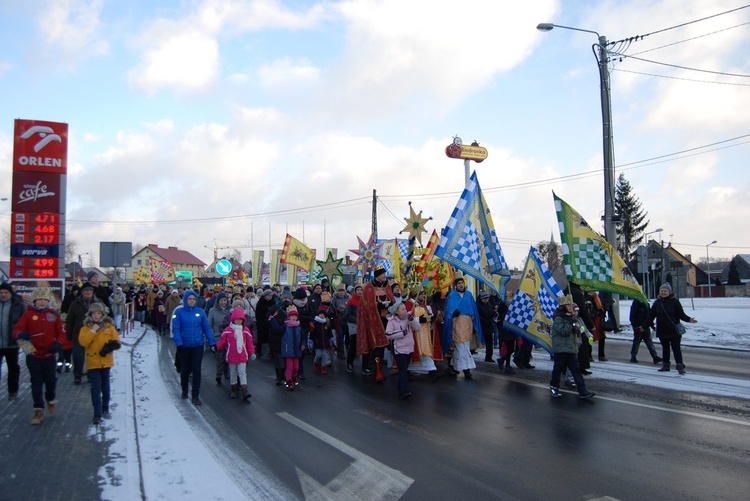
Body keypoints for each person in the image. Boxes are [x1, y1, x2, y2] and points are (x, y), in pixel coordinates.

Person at [13, 288, 66, 424]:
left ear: (48, 301)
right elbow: (17, 330)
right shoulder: (28, 315)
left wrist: (59, 344)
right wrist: (21, 335)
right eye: (39, 300)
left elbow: (61, 332)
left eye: (44, 300)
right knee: (36, 382)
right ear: (35, 301)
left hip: (49, 354)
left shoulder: (53, 315)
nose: (42, 302)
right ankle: (38, 412)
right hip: (33, 354)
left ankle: (50, 398)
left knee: (51, 380)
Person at [78, 302, 121, 424]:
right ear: (90, 315)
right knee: (95, 387)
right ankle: (97, 413)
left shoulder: (109, 327)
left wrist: (113, 346)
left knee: (105, 386)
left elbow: (117, 341)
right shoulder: (85, 328)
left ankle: (105, 406)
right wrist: (92, 331)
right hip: (93, 362)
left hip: (106, 361)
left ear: (103, 314)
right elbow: (83, 343)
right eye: (94, 313)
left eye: (99, 313)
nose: (96, 316)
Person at [172, 290, 216, 405]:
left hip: (198, 345)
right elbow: (176, 329)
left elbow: (206, 328)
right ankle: (184, 390)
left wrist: (212, 342)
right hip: (184, 346)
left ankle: (195, 395)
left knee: (196, 369)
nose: (192, 301)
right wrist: (179, 344)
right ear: (186, 300)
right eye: (189, 299)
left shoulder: (200, 312)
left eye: (194, 299)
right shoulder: (179, 312)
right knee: (185, 369)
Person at [548, 295, 595, 399]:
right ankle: (554, 387)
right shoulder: (558, 318)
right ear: (563, 306)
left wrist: (576, 327)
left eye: (571, 305)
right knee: (558, 370)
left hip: (571, 349)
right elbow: (564, 331)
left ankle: (583, 391)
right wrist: (571, 322)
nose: (570, 307)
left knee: (576, 371)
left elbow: (576, 331)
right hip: (561, 349)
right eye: (568, 305)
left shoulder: (571, 317)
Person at [356, 266, 395, 381]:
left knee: (389, 345)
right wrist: (379, 305)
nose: (384, 276)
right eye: (382, 274)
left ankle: (392, 367)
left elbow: (392, 299)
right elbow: (367, 305)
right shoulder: (368, 287)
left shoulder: (387, 286)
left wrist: (390, 305)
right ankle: (377, 370)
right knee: (378, 346)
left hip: (387, 319)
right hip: (374, 321)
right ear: (377, 275)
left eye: (384, 274)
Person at [649, 283, 696, 374]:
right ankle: (665, 365)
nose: (663, 292)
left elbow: (681, 314)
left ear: (669, 292)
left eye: (665, 291)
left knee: (676, 349)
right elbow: (651, 315)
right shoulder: (657, 303)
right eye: (661, 291)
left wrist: (689, 319)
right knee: (665, 349)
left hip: (674, 330)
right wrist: (644, 325)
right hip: (662, 330)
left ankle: (680, 366)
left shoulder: (675, 302)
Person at [443, 277, 481, 380]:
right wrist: (453, 314)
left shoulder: (468, 295)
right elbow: (448, 312)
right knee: (460, 346)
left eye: (462, 283)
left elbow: (473, 310)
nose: (461, 285)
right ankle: (466, 370)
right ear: (456, 285)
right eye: (459, 283)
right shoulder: (452, 296)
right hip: (457, 324)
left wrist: (474, 325)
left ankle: (455, 366)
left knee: (465, 346)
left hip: (468, 324)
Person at [65, 282, 102, 385]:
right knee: (78, 357)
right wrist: (69, 335)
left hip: (94, 335)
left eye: (90, 290)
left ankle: (91, 375)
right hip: (78, 334)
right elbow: (69, 320)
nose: (88, 292)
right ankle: (78, 375)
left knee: (92, 356)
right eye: (86, 290)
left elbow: (104, 318)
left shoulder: (98, 303)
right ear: (82, 292)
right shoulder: (75, 304)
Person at [216, 308, 256, 400]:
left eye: (240, 319)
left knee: (242, 373)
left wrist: (252, 352)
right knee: (233, 373)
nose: (238, 321)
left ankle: (244, 391)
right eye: (237, 319)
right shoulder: (228, 330)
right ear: (233, 320)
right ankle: (234, 390)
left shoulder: (245, 330)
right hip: (231, 355)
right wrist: (217, 347)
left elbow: (249, 343)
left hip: (242, 355)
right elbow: (222, 341)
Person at [385, 302, 420, 399]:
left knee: (403, 369)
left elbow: (418, 328)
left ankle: (400, 386)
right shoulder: (391, 321)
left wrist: (412, 320)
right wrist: (401, 333)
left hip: (409, 348)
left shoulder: (408, 319)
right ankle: (404, 390)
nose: (405, 311)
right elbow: (388, 335)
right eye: (402, 309)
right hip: (399, 349)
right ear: (396, 311)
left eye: (405, 309)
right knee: (403, 369)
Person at [407, 289, 442, 381]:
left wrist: (432, 318)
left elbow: (429, 320)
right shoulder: (409, 304)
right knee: (414, 353)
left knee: (425, 353)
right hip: (414, 335)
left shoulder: (425, 306)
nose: (424, 296)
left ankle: (432, 372)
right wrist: (419, 319)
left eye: (425, 294)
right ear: (416, 295)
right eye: (422, 294)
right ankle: (432, 373)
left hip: (425, 334)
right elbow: (406, 319)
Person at [0, 282, 26, 400]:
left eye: (6, 292)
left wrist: (26, 345)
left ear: (11, 293)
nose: (3, 295)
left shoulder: (18, 305)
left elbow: (24, 323)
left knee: (13, 368)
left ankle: (13, 391)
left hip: (12, 342)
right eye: (1, 293)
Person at [278, 305, 305, 390]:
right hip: (288, 350)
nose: (293, 318)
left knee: (296, 367)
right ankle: (288, 380)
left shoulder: (299, 328)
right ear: (289, 317)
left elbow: (303, 337)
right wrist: (272, 320)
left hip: (297, 349)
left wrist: (303, 344)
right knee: (289, 367)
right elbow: (277, 329)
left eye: (295, 316)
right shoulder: (285, 327)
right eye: (292, 316)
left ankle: (294, 376)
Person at [629, 299, 662, 364]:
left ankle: (654, 357)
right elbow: (632, 317)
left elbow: (649, 316)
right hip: (639, 327)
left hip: (645, 326)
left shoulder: (646, 305)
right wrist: (636, 327)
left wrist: (652, 325)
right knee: (637, 342)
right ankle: (633, 356)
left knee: (649, 342)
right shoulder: (636, 305)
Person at [207, 293, 230, 384]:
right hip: (218, 336)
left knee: (228, 356)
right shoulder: (213, 310)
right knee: (219, 357)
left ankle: (226, 371)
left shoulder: (230, 310)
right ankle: (219, 374)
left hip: (229, 336)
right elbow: (209, 324)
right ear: (218, 301)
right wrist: (212, 335)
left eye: (225, 300)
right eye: (221, 300)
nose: (223, 302)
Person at [344, 284, 362, 373]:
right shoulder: (351, 302)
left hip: (364, 326)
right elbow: (347, 315)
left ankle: (366, 365)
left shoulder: (365, 301)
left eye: (361, 290)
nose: (360, 292)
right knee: (354, 345)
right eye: (358, 290)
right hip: (354, 326)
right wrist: (358, 320)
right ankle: (349, 362)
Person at [477, 291, 496, 362]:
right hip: (481, 326)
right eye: (485, 299)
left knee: (489, 343)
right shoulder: (478, 305)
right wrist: (484, 319)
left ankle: (488, 357)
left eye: (487, 299)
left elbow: (490, 311)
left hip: (488, 326)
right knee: (477, 341)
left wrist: (493, 314)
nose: (486, 300)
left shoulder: (488, 305)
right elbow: (477, 316)